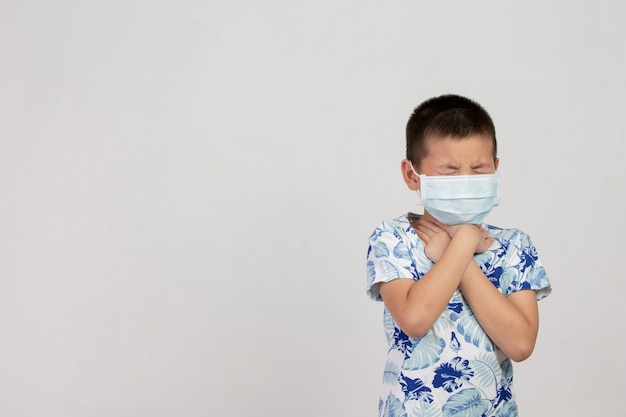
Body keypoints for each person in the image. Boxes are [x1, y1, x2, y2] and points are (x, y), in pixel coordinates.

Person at [366, 94, 551, 417]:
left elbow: (520, 345)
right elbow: (414, 319)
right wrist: (465, 242)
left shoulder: (513, 247)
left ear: (495, 169)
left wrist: (459, 251)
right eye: (449, 172)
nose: (465, 182)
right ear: (412, 175)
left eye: (479, 169)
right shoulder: (393, 239)